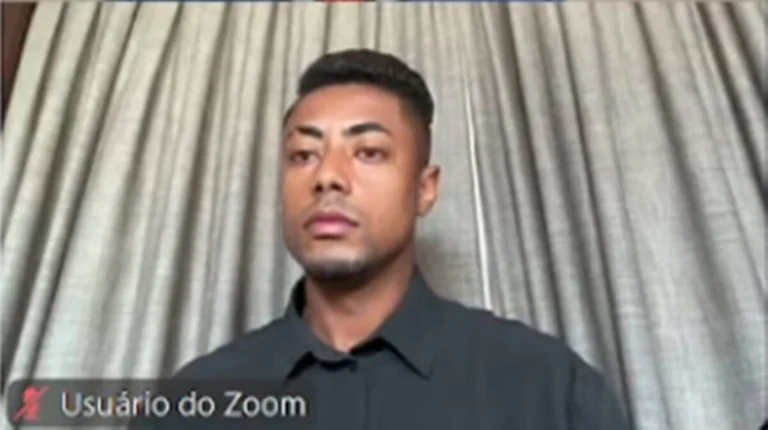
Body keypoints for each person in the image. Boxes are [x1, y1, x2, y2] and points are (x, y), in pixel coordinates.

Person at [166, 49, 631, 429]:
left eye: (369, 152)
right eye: (303, 154)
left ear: (425, 189)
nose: (327, 176)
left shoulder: (546, 388)